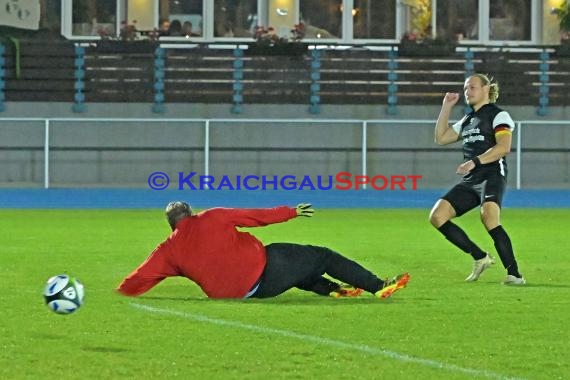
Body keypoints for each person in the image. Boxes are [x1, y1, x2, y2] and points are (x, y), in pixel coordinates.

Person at [117, 202, 410, 299]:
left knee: (296, 265)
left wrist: (122, 293)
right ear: (191, 213)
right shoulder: (213, 216)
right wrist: (291, 211)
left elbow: (138, 278)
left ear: (171, 225)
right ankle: (378, 286)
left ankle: (334, 289)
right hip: (264, 271)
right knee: (321, 256)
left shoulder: (166, 250)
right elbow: (258, 216)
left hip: (248, 293)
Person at [429, 73, 525, 285]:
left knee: (489, 217)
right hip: (471, 179)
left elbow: (503, 147)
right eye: (465, 88)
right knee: (437, 216)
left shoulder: (499, 115)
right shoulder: (467, 119)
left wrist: (475, 162)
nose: (467, 91)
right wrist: (446, 106)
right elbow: (441, 138)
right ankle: (480, 257)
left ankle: (514, 274)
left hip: (492, 173)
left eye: (471, 87)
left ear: (486, 89)